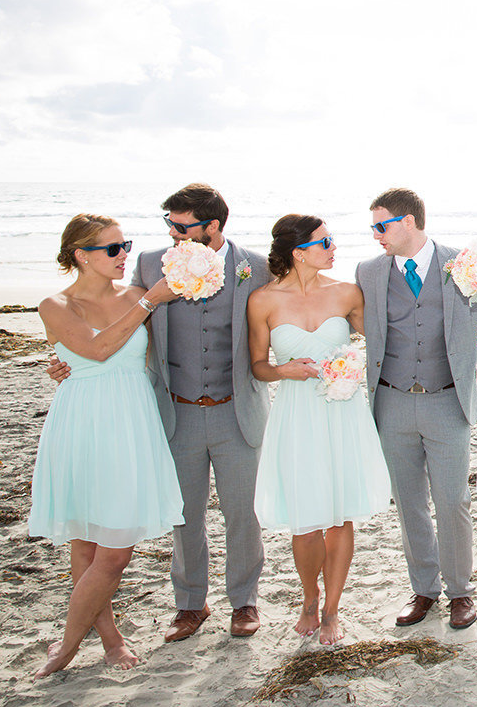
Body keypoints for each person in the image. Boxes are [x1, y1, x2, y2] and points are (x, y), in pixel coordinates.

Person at [49, 184, 274, 643]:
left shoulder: (257, 266)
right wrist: (66, 358)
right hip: (175, 412)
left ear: (213, 226)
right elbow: (113, 322)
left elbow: (281, 317)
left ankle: (244, 600)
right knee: (183, 514)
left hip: (237, 409)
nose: (172, 232)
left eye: (181, 225)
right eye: (168, 223)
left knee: (242, 512)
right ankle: (190, 604)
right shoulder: (151, 264)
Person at [29, 215, 184, 677]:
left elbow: (155, 357)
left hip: (131, 424)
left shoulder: (135, 296)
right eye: (113, 249)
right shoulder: (56, 305)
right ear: (81, 255)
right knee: (86, 542)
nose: (124, 256)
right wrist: (152, 301)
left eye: (125, 246)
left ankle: (70, 643)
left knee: (114, 551)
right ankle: (98, 641)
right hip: (82, 424)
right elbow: (96, 351)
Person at [357, 188, 477, 630]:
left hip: (448, 400)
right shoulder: (368, 272)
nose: (375, 235)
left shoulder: (462, 263)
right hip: (390, 401)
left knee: (452, 501)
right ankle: (423, 590)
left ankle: (460, 592)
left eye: (381, 225)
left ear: (409, 222)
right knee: (409, 504)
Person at [247, 215, 391, 646]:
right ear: (298, 251)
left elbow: (384, 340)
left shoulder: (347, 293)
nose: (333, 247)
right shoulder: (263, 301)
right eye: (325, 241)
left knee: (339, 513)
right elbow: (258, 365)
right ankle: (309, 598)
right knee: (305, 521)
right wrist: (282, 370)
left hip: (342, 413)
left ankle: (332, 609)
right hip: (297, 415)